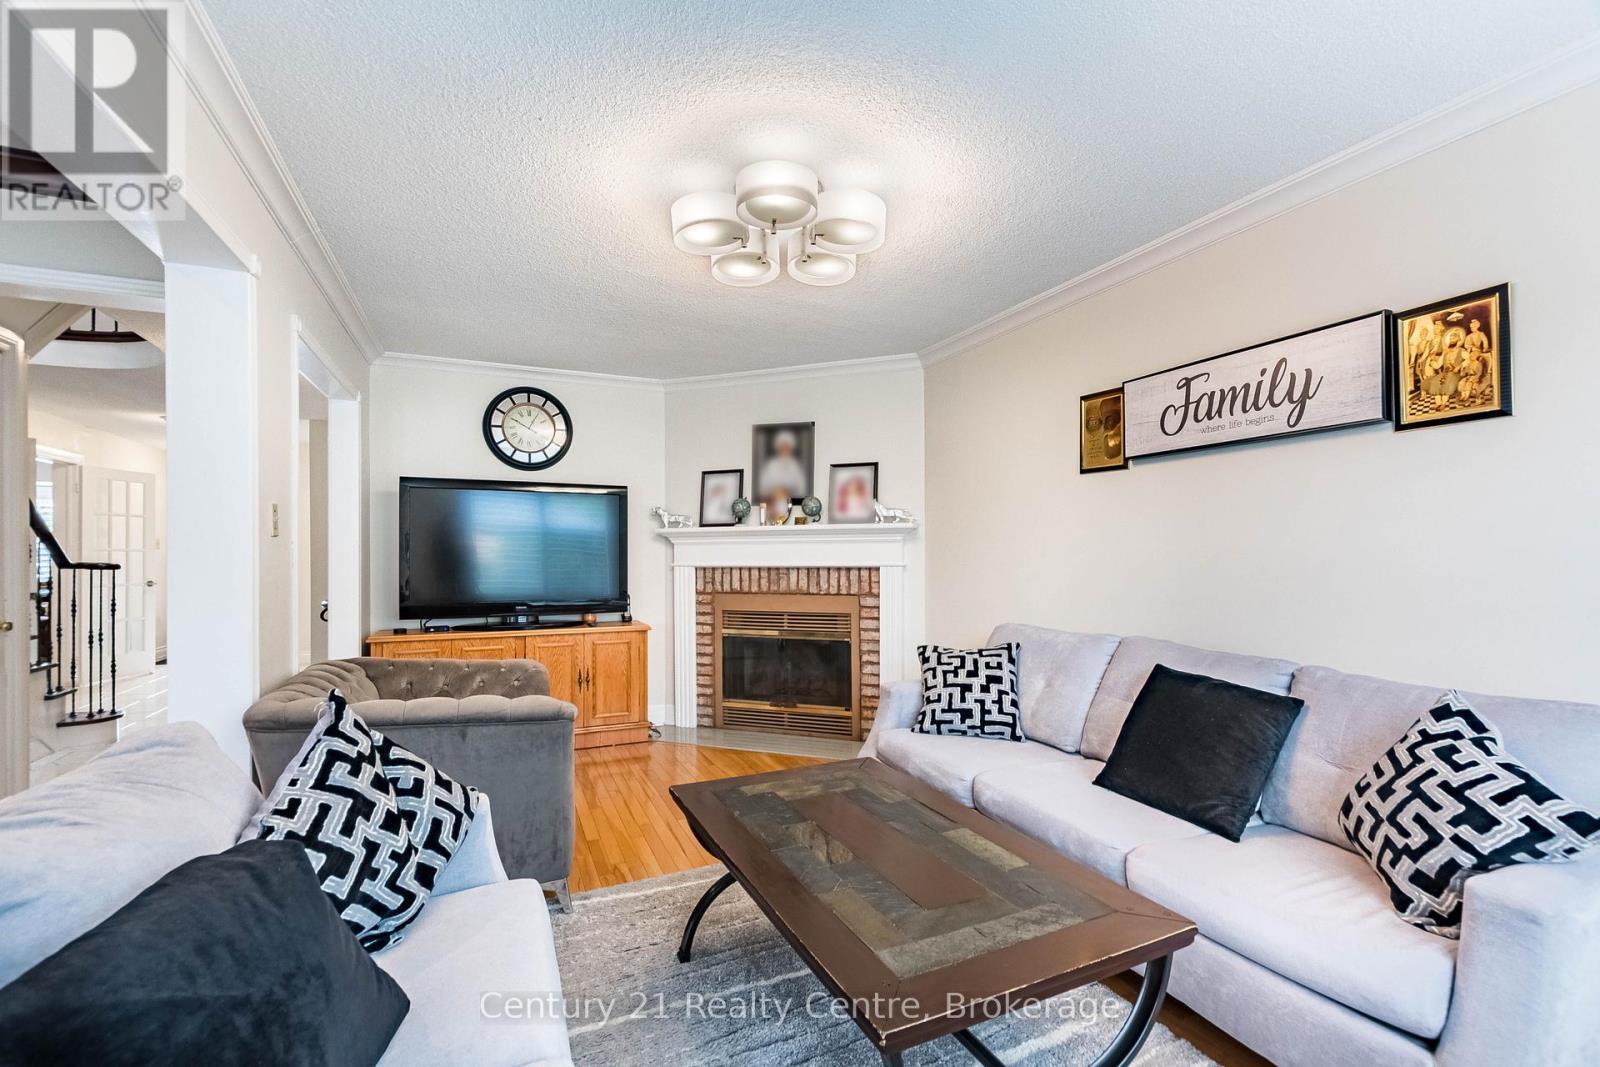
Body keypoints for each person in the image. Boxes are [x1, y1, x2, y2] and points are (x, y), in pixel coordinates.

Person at [758, 429, 808, 504]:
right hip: (772, 505)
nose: (785, 449)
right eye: (782, 446)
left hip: (793, 504)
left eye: (787, 446)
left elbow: (802, 489)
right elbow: (762, 488)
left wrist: (787, 492)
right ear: (778, 447)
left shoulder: (796, 465)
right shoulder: (771, 464)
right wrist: (774, 492)